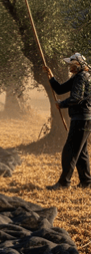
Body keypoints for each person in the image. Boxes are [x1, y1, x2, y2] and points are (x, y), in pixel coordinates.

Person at [43, 53, 91, 190]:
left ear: (78, 65)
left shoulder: (81, 77)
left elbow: (76, 98)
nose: (69, 67)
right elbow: (60, 89)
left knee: (69, 151)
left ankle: (64, 183)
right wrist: (51, 77)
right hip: (84, 119)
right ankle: (86, 182)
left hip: (81, 119)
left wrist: (62, 104)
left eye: (71, 64)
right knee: (81, 152)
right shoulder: (79, 76)